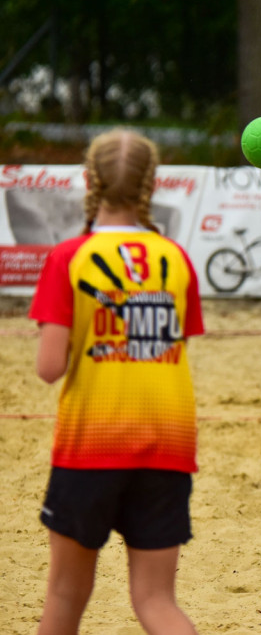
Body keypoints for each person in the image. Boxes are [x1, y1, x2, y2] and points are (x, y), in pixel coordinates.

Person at [29, 129, 204, 634]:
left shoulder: (69, 258)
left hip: (91, 447)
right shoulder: (176, 259)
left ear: (88, 180)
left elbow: (48, 368)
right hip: (166, 445)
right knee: (156, 601)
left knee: (65, 596)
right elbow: (173, 347)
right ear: (152, 186)